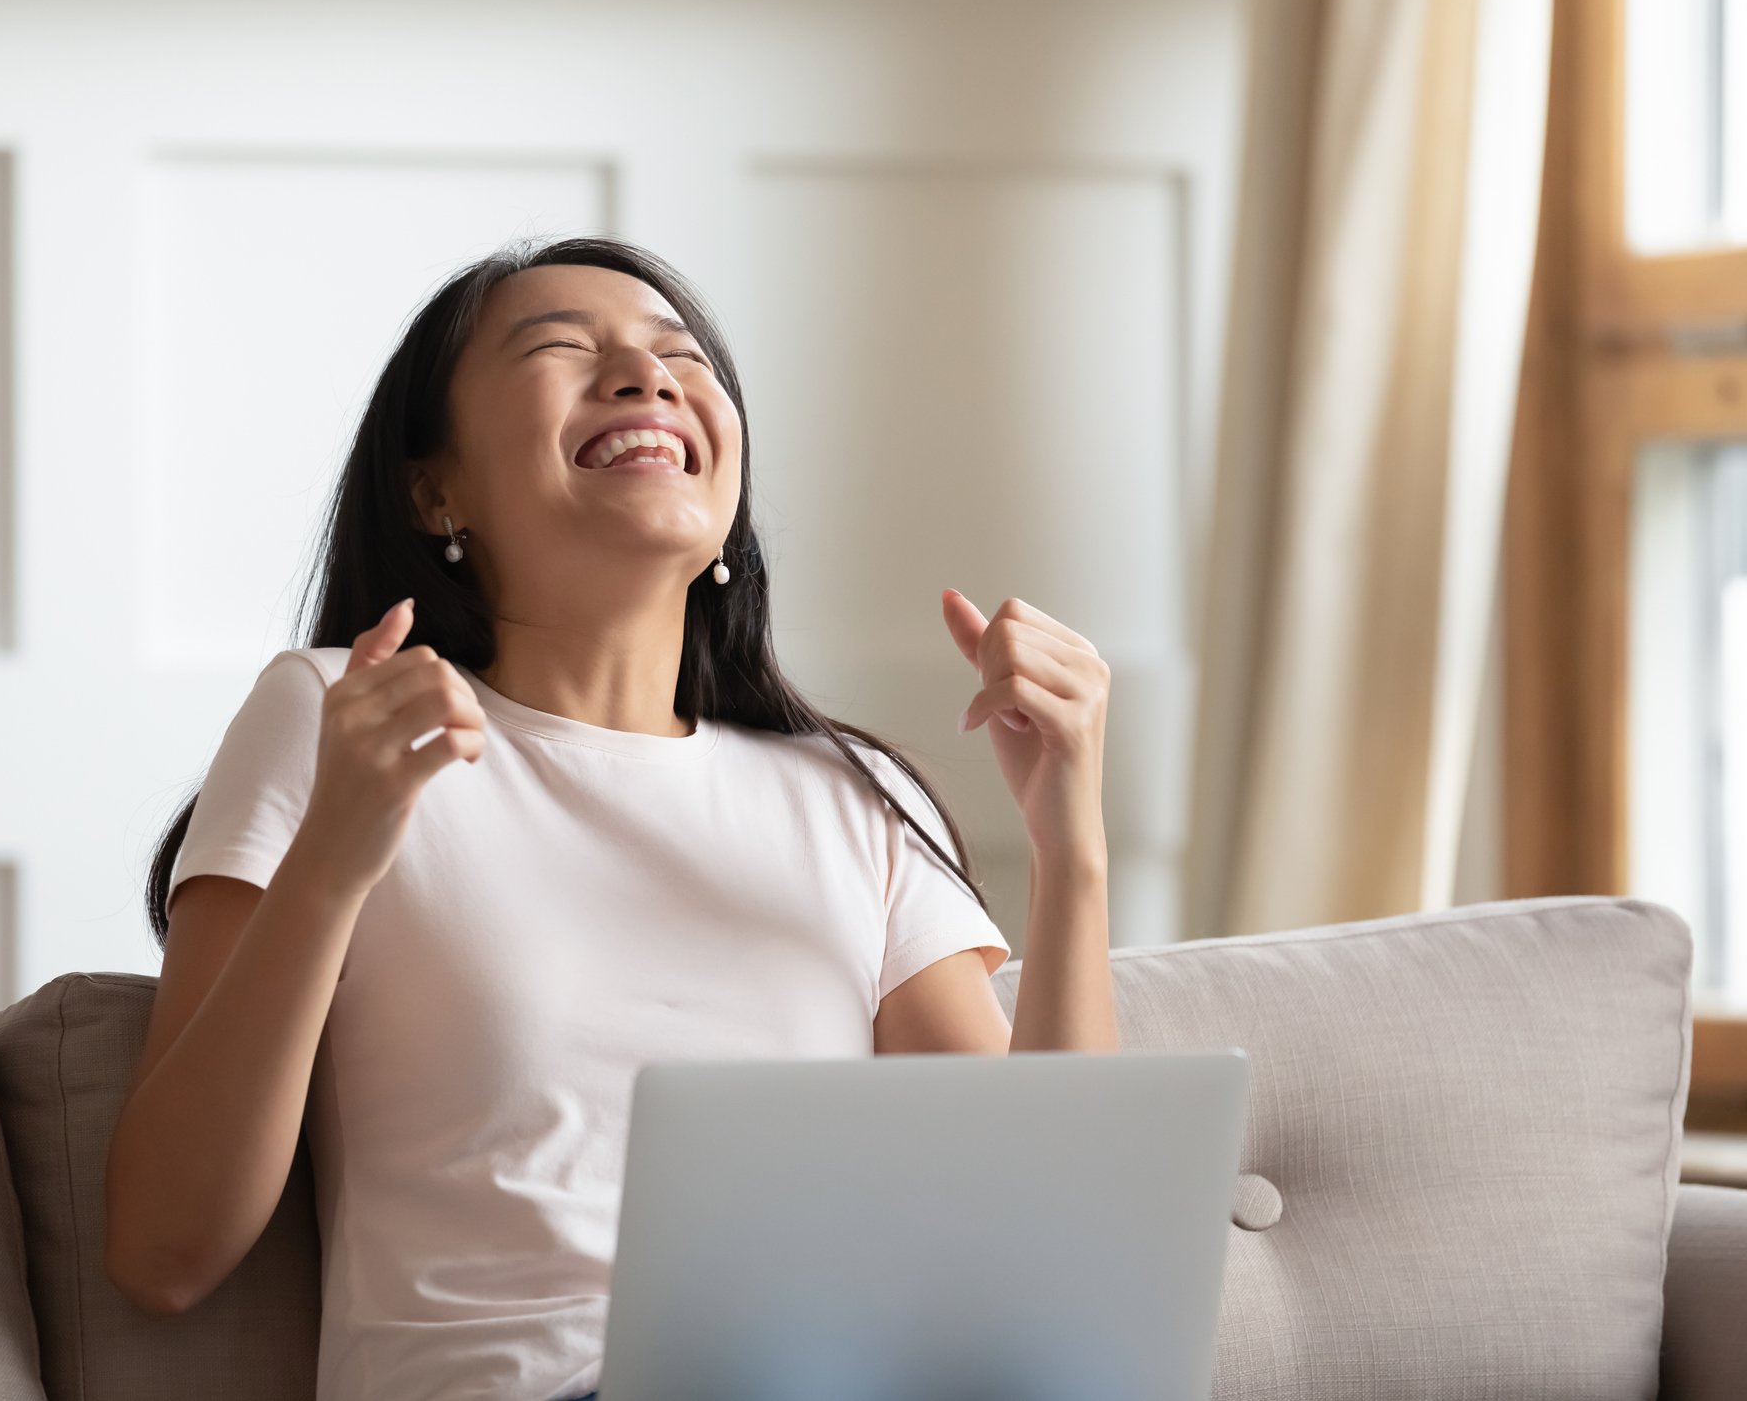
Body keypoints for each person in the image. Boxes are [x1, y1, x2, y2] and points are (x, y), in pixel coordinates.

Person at [104, 235, 1121, 1401]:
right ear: (436, 487)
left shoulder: (850, 798)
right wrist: (333, 858)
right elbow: (162, 1251)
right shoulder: (344, 718)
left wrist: (1068, 848)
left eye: (680, 357)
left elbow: (1058, 1269)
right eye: (562, 348)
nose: (647, 377)